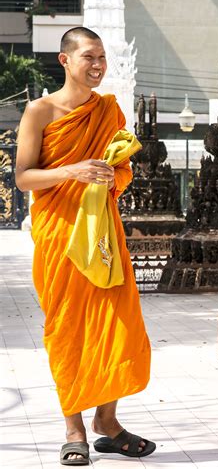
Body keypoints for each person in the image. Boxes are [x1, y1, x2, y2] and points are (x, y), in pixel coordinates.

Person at [15, 27, 155, 465]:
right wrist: (71, 171)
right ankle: (75, 429)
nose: (98, 67)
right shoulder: (40, 111)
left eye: (102, 59)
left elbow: (123, 170)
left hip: (103, 234)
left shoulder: (109, 111)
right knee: (69, 332)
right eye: (89, 58)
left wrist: (115, 177)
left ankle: (107, 422)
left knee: (120, 326)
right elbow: (22, 177)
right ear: (65, 60)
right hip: (59, 235)